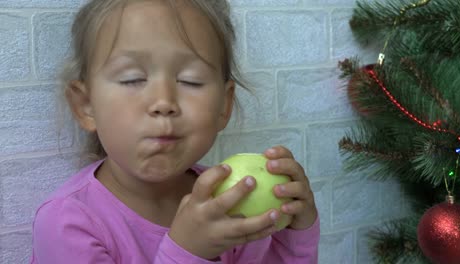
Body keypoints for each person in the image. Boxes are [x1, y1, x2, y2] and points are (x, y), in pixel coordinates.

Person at [30, 0, 320, 263]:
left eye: (190, 81)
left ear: (224, 105)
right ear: (86, 105)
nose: (164, 102)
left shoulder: (227, 201)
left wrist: (293, 235)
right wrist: (187, 252)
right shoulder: (67, 223)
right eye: (133, 79)